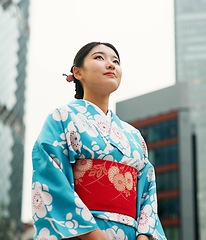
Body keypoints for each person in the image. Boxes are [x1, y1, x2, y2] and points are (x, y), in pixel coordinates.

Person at [32, 42, 167, 240]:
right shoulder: (62, 117)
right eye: (99, 58)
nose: (111, 65)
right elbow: (50, 177)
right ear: (77, 72)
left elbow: (147, 191)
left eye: (116, 61)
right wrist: (95, 236)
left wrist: (144, 236)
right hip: (83, 234)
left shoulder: (134, 135)